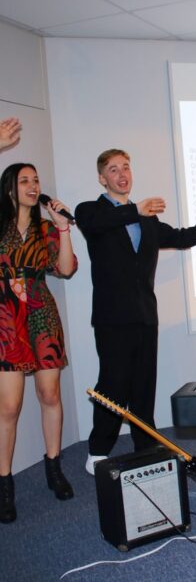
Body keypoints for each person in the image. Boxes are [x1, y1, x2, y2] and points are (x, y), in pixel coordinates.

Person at [76, 149, 196, 475]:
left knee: (143, 386)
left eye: (126, 167)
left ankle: (146, 447)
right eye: (113, 169)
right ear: (102, 178)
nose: (122, 174)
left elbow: (181, 238)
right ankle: (97, 451)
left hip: (145, 315)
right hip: (112, 318)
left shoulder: (147, 219)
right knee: (112, 385)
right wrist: (134, 209)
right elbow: (97, 224)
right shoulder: (91, 211)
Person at [0, 162, 77, 524]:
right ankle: (4, 484)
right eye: (24, 181)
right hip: (5, 317)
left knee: (50, 395)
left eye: (36, 180)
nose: (33, 186)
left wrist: (63, 227)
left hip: (41, 314)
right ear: (10, 188)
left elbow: (66, 269)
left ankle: (54, 467)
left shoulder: (45, 228)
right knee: (9, 406)